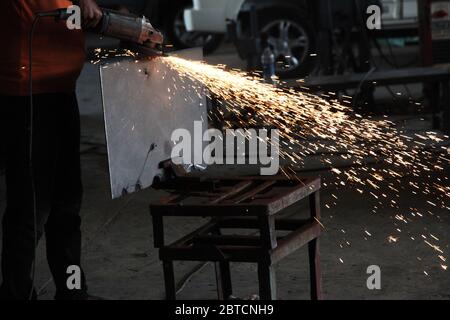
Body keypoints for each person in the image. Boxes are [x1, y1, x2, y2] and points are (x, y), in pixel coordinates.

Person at [0, 0, 102, 300]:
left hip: (61, 87)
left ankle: (71, 291)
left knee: (67, 205)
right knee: (31, 207)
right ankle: (15, 294)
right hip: (27, 93)